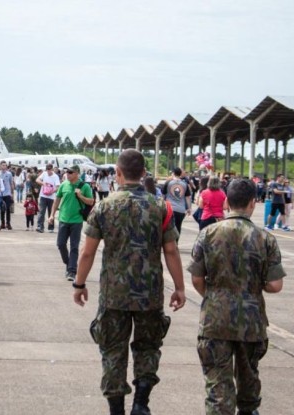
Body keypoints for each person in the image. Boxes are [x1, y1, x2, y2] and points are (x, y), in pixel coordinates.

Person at [72, 149, 186, 415]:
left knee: (113, 351)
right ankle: (141, 402)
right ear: (144, 173)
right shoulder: (160, 206)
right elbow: (171, 250)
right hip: (150, 293)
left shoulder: (104, 206)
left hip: (114, 294)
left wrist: (79, 284)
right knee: (148, 347)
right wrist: (179, 287)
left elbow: (87, 251)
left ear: (118, 174)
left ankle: (116, 410)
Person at [189, 178, 285, 415]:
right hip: (251, 322)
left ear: (227, 202)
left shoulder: (208, 234)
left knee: (217, 386)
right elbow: (275, 285)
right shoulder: (265, 239)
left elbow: (197, 279)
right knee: (248, 382)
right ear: (253, 203)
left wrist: (214, 296)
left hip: (215, 319)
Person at [48, 164, 94, 281]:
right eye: (67, 172)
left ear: (77, 173)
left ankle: (72, 271)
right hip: (63, 219)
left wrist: (80, 196)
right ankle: (69, 264)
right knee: (60, 244)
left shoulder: (84, 186)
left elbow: (91, 201)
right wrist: (52, 215)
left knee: (74, 247)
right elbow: (57, 200)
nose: (67, 174)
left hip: (76, 220)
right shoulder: (64, 185)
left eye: (70, 172)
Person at [162, 168, 190, 236]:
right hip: (181, 209)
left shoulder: (168, 182)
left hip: (169, 208)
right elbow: (187, 197)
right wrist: (189, 208)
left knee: (168, 228)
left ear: (173, 173)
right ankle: (176, 244)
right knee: (178, 227)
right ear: (180, 174)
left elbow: (163, 195)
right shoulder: (185, 184)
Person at [36, 164, 60, 233]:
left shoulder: (55, 176)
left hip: (51, 197)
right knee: (41, 211)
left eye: (50, 169)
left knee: (51, 212)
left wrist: (52, 191)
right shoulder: (44, 174)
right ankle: (40, 226)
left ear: (52, 169)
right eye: (47, 169)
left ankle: (51, 227)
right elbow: (37, 180)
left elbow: (58, 187)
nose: (48, 171)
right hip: (43, 196)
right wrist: (43, 183)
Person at [0, 161, 15, 230]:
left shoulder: (9, 174)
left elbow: (11, 183)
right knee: (2, 209)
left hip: (7, 193)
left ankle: (8, 223)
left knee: (8, 209)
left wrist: (12, 193)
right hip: (0, 194)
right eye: (2, 165)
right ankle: (2, 223)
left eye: (5, 165)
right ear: (0, 166)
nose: (4, 167)